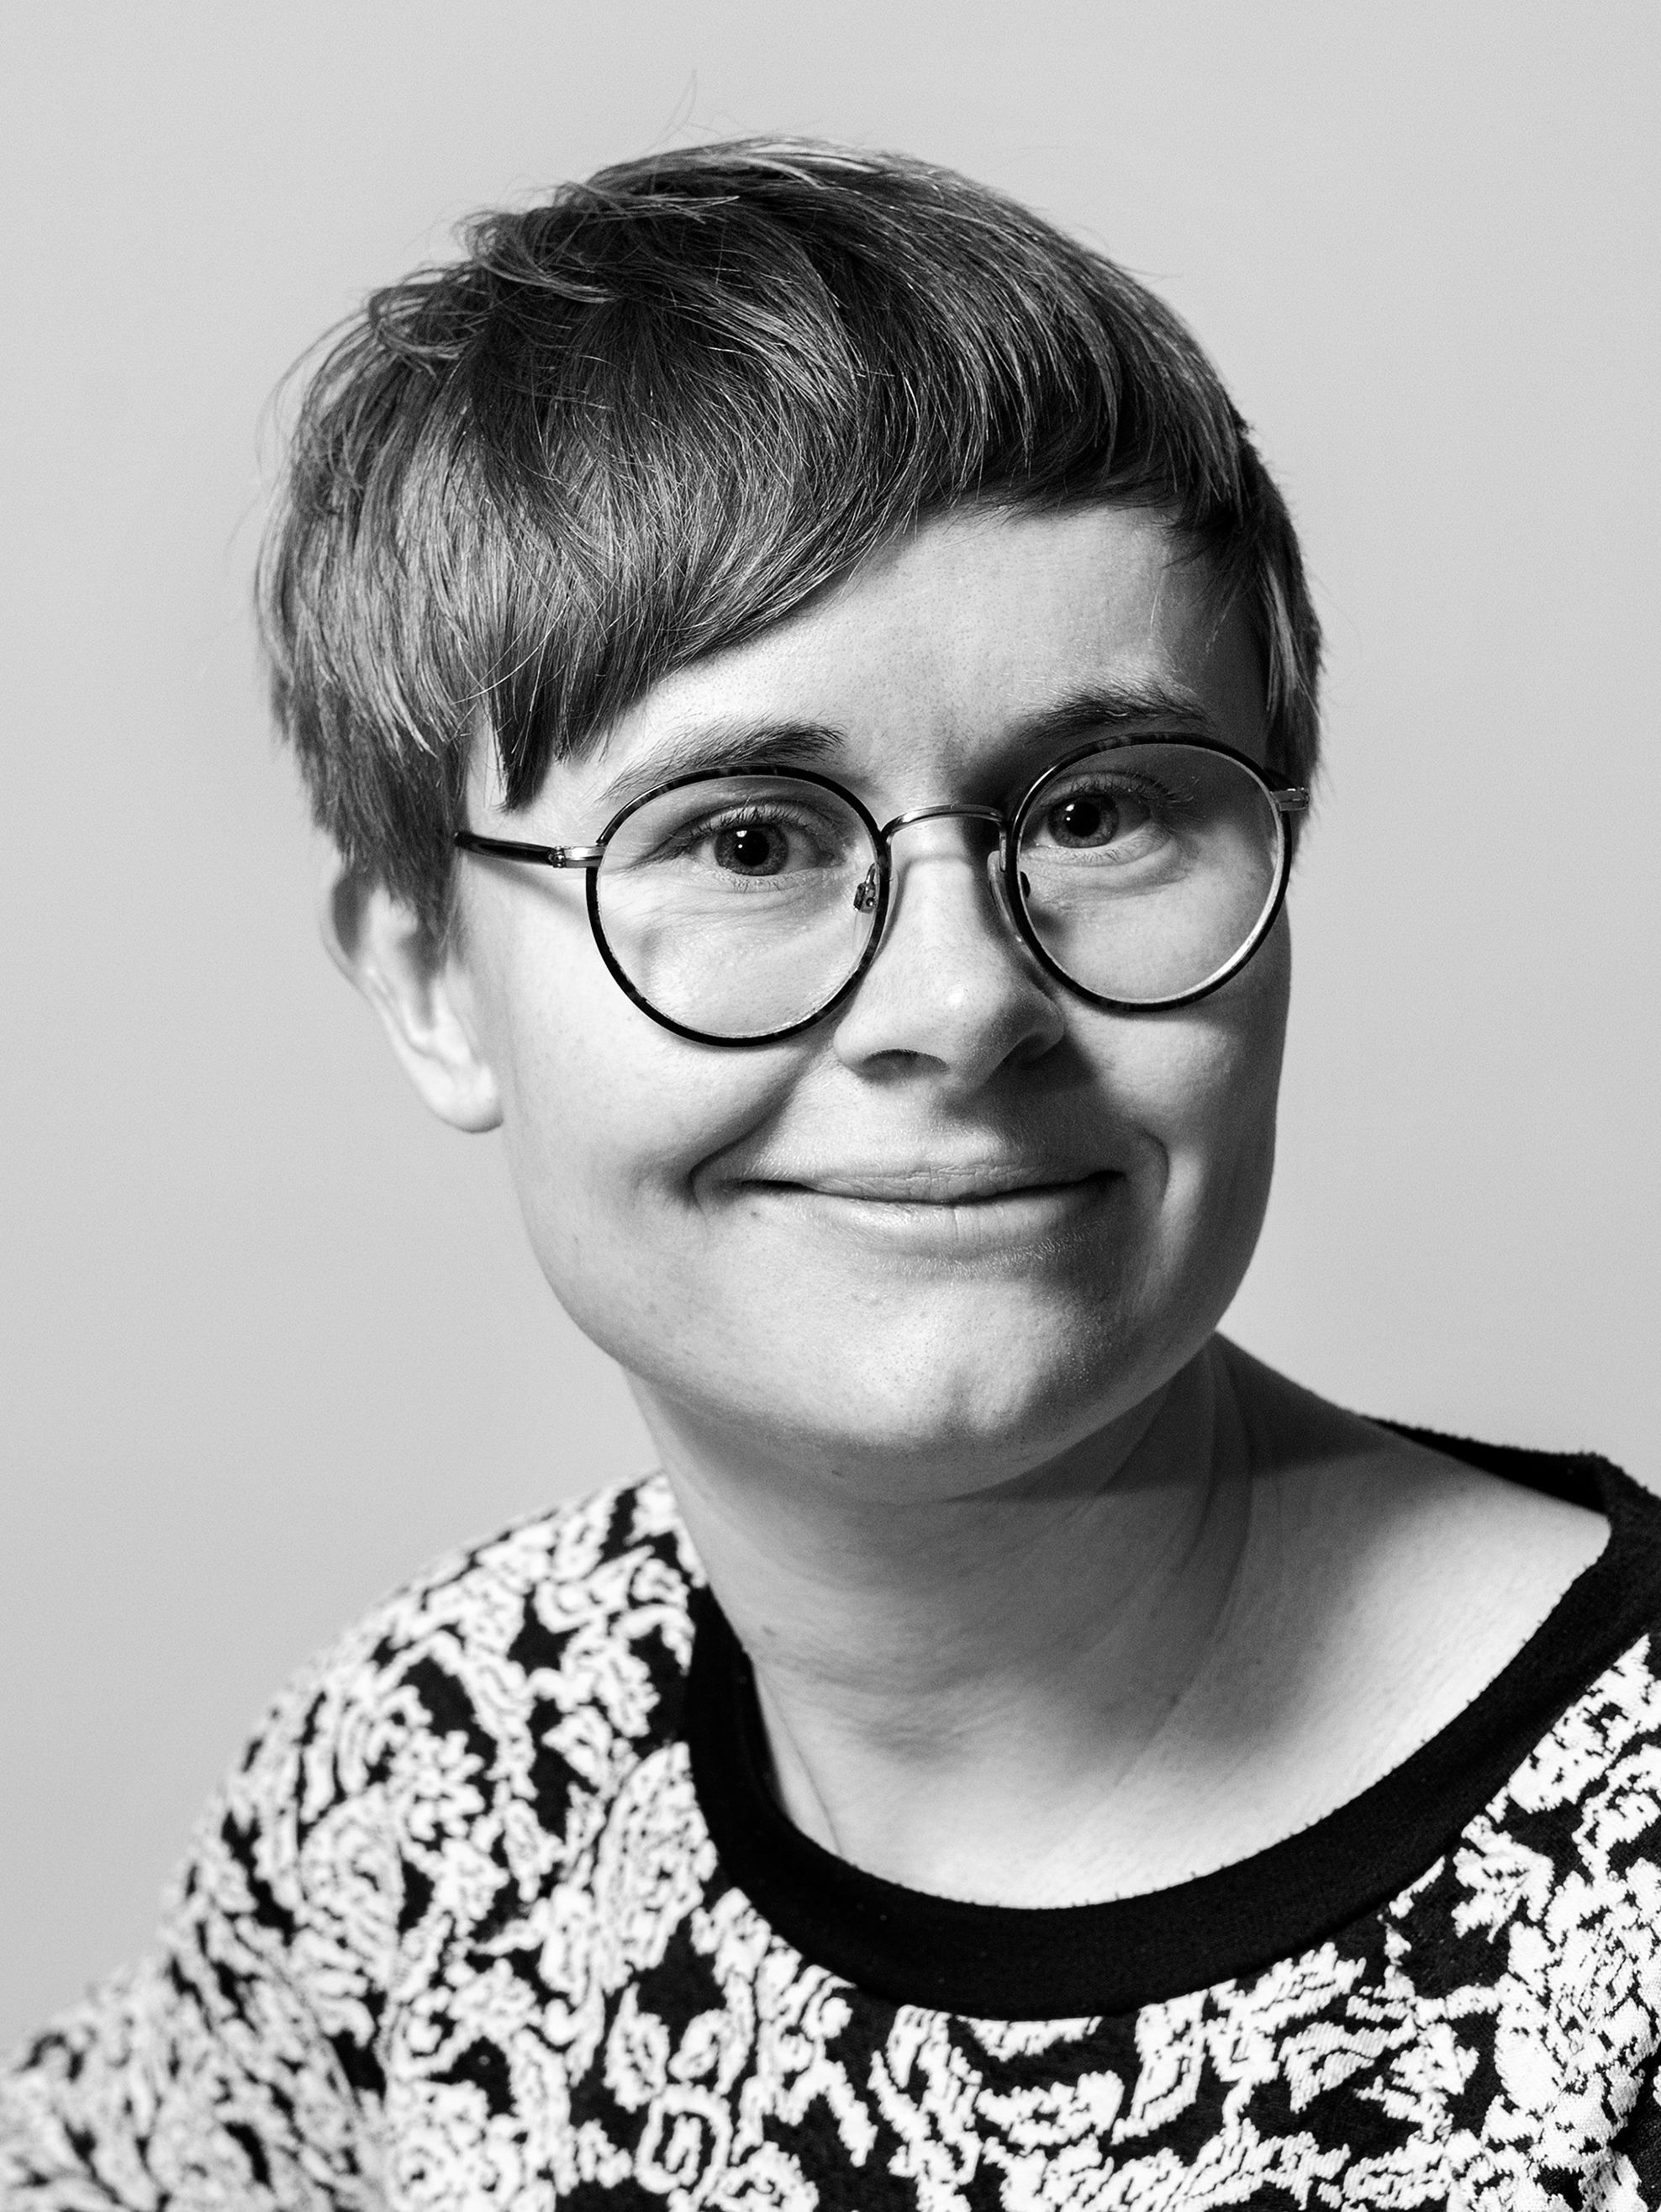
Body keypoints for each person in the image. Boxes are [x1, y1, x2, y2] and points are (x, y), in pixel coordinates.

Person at [3, 136, 1658, 2210]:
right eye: (747, 838)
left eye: (1096, 809)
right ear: (432, 978)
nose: (962, 1002)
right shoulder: (443, 1770)